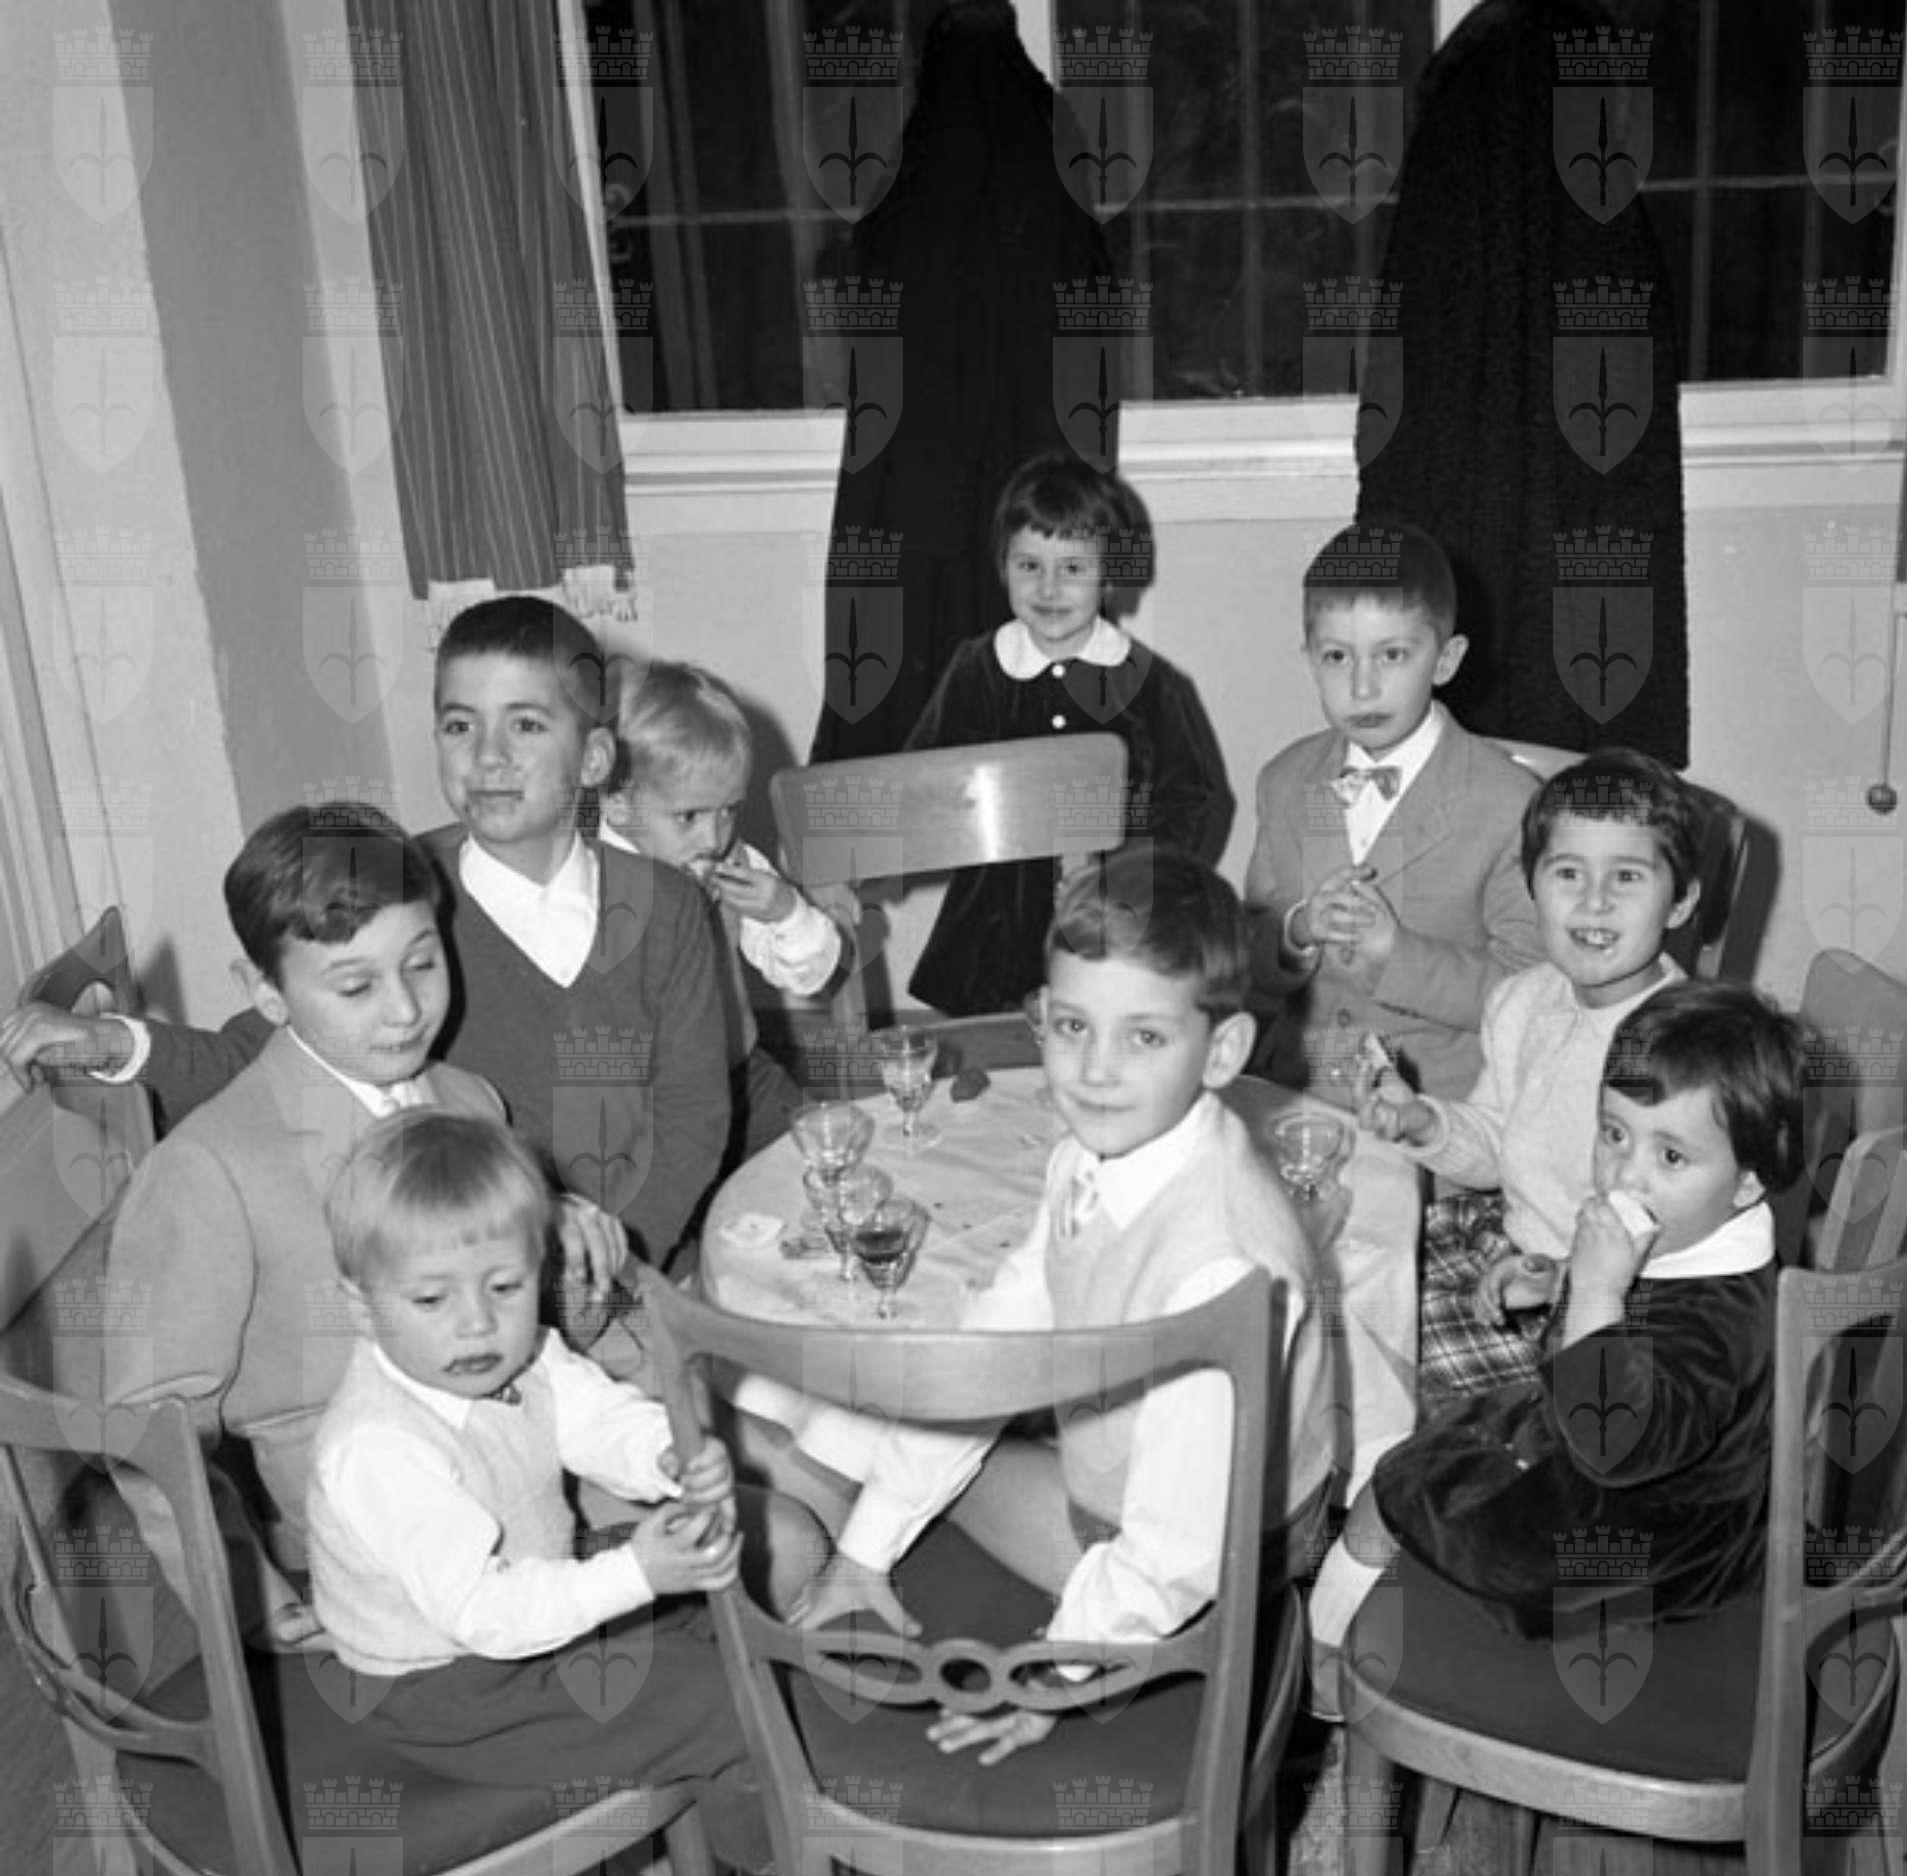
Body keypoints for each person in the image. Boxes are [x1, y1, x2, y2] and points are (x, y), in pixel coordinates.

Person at [306, 1109, 929, 1876]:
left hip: (527, 1602)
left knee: (730, 1620)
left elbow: (595, 1418)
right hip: (445, 1684)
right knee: (721, 1698)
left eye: (505, 1287)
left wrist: (666, 1453)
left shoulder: (521, 1356)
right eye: (431, 1300)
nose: (477, 1325)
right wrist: (637, 1571)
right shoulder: (379, 1445)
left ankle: (775, 1807)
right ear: (360, 1305)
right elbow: (484, 1612)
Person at [0, 597, 729, 1274]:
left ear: (595, 758)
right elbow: (259, 1056)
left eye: (527, 725)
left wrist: (619, 1259)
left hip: (632, 1258)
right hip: (455, 1278)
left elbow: (693, 1116)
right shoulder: (399, 889)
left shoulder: (667, 907)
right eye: (460, 725)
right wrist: (113, 1043)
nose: (488, 755)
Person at [792, 846, 1321, 1763]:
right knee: (886, 1412)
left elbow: (1178, 1550)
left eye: (1143, 1038)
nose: (1095, 1071)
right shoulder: (1094, 1153)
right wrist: (863, 1554)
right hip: (1118, 1474)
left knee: (861, 1436)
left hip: (1224, 1552)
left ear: (1224, 1050)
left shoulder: (1219, 1268)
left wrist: (1055, 1673)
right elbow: (993, 1350)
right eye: (1073, 1026)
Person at [84, 802, 617, 1638]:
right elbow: (148, 1434)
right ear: (266, 992)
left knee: (775, 1482)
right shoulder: (209, 1167)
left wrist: (556, 1239)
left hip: (527, 1456)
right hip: (372, 1549)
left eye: (423, 963)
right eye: (357, 986)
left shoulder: (467, 1099)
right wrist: (255, 1603)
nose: (404, 1011)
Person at [1307, 982, 1805, 1711]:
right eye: (1614, 1134)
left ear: (1748, 1181)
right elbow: (1637, 1296)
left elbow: (1613, 1441)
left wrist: (1597, 1291)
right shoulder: (1696, 1235)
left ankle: (1325, 1685)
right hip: (1626, 1487)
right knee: (1437, 1442)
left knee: (1392, 1491)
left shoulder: (1722, 1322)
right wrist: (1560, 1277)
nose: (1626, 1173)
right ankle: (1341, 1655)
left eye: (1671, 1156)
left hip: (1633, 1550)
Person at [1360, 748, 1706, 1410]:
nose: (1594, 901)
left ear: (1682, 900)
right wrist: (1425, 1121)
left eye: (1627, 876)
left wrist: (1564, 1279)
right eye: (1568, 873)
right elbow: (1497, 1141)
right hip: (1515, 1239)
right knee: (1355, 1278)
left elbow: (1685, 1239)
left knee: (1392, 1368)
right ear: (1532, 884)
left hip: (1613, 1307)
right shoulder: (1524, 1000)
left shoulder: (1685, 1046)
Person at [899, 453, 1233, 1015]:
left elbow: (1191, 802)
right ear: (1002, 567)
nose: (1049, 587)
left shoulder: (1150, 685)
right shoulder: (977, 669)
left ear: (1109, 576)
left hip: (1111, 925)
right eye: (1029, 565)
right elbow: (922, 781)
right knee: (995, 1054)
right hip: (991, 929)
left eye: (1073, 568)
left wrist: (1123, 873)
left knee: (1099, 1035)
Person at [1243, 520, 1540, 1107]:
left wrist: (1395, 955)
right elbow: (1249, 949)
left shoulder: (1509, 803)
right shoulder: (1284, 781)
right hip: (1298, 1092)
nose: (1362, 687)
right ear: (1309, 659)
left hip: (1441, 1107)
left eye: (1393, 655)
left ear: (1446, 660)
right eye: (1337, 657)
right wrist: (1297, 932)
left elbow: (1533, 993)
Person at [600, 658, 848, 1163]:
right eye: (688, 816)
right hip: (641, 1109)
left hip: (740, 1080)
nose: (714, 837)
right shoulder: (586, 881)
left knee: (825, 1164)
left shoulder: (733, 863)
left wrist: (785, 912)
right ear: (618, 805)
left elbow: (812, 974)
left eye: (729, 810)